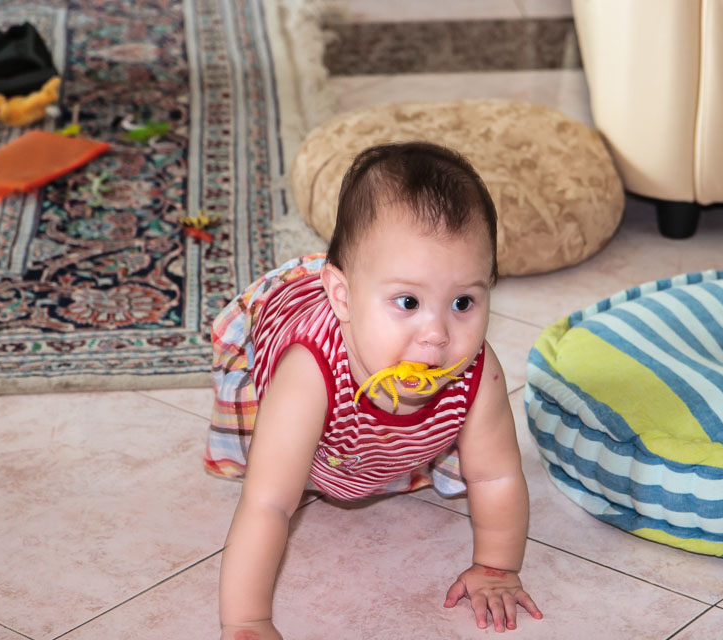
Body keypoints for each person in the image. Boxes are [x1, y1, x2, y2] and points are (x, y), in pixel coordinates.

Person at [206, 142, 543, 639]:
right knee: (277, 464)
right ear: (342, 298)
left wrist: (496, 567)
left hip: (370, 400)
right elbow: (268, 504)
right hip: (298, 341)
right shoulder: (308, 373)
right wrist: (246, 621)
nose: (437, 335)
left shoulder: (477, 373)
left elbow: (496, 477)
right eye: (408, 302)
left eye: (463, 302)